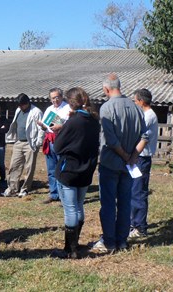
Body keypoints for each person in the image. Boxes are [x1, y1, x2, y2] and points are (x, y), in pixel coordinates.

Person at [92, 74, 149, 253]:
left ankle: (109, 241)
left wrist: (125, 155)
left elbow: (110, 140)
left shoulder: (106, 108)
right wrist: (133, 156)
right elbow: (145, 136)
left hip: (111, 163)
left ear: (106, 89)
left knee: (108, 203)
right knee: (125, 202)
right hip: (129, 165)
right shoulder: (137, 108)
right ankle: (122, 240)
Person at [53, 87, 100, 259]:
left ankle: (69, 249)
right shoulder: (94, 121)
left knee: (70, 210)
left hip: (69, 171)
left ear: (71, 103)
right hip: (86, 170)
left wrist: (60, 131)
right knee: (79, 207)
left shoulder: (73, 122)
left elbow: (57, 147)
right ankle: (75, 244)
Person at [2, 93, 44, 198]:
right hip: (19, 141)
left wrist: (39, 142)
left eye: (22, 105)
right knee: (14, 165)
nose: (20, 107)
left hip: (30, 143)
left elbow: (41, 129)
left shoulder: (36, 112)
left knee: (29, 167)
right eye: (19, 105)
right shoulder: (18, 110)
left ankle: (25, 189)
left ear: (27, 103)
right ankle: (12, 188)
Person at [130, 88, 158, 238]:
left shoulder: (148, 116)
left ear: (141, 101)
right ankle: (134, 222)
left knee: (138, 192)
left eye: (135, 100)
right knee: (134, 191)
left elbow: (140, 137)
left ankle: (140, 227)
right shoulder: (147, 115)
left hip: (141, 157)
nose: (135, 103)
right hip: (139, 157)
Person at [37, 88, 71, 204]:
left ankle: (63, 195)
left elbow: (69, 124)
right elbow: (46, 126)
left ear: (61, 97)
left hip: (62, 140)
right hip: (50, 139)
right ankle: (53, 193)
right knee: (51, 168)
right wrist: (42, 125)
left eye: (57, 97)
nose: (55, 100)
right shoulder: (49, 109)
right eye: (53, 98)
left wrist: (59, 126)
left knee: (61, 168)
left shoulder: (67, 108)